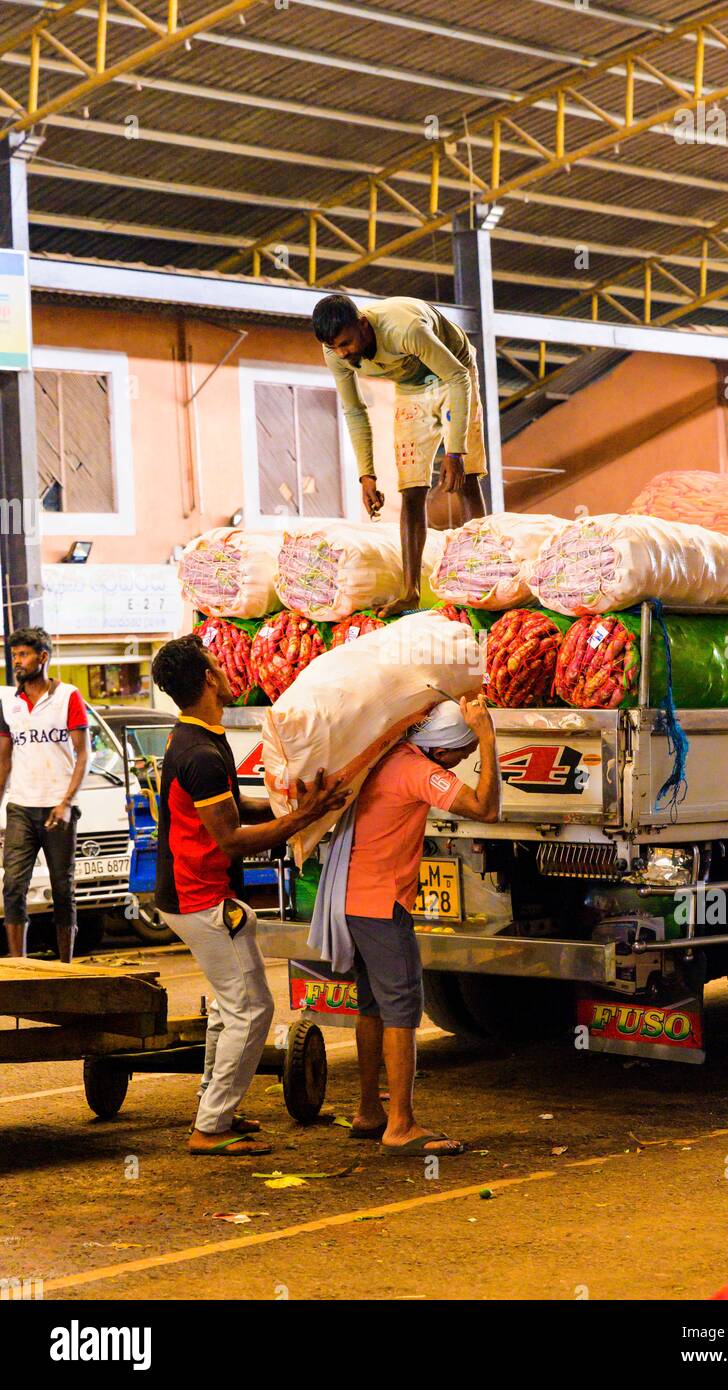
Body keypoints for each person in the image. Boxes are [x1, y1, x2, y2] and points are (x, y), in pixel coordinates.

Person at [152, 634, 347, 1157]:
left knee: (228, 1007)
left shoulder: (195, 737)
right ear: (209, 679)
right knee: (252, 1009)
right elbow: (231, 837)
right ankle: (211, 1127)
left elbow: (233, 808)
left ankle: (216, 1110)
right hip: (200, 897)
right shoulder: (201, 752)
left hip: (189, 893)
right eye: (217, 662)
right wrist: (302, 818)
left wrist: (287, 803)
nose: (225, 666)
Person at [309, 694, 500, 1157]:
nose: (468, 755)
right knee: (401, 1011)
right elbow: (485, 808)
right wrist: (491, 738)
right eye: (464, 748)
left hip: (351, 900)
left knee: (372, 1006)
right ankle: (400, 1124)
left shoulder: (390, 755)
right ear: (440, 747)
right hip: (380, 904)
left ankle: (368, 1111)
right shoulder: (417, 770)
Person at [312, 293, 488, 617]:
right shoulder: (334, 353)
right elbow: (353, 410)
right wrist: (366, 475)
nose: (343, 353)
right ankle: (410, 593)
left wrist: (456, 450)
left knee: (464, 479)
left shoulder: (405, 328)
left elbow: (458, 377)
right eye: (335, 347)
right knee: (410, 489)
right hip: (411, 388)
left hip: (454, 372)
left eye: (347, 343)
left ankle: (483, 574)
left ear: (363, 324)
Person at [0, 627, 90, 962]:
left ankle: (66, 966)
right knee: (13, 887)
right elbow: (4, 759)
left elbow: (84, 754)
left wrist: (66, 802)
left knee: (62, 889)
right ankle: (20, 968)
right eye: (14, 656)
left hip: (58, 806)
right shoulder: (9, 703)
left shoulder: (68, 696)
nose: (17, 662)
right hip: (21, 806)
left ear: (43, 657)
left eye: (23, 655)